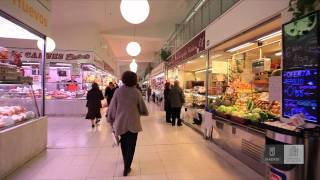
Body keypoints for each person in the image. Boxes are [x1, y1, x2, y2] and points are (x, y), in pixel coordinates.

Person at [108, 71, 148, 176]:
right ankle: (127, 167)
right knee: (132, 145)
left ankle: (125, 162)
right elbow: (143, 108)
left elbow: (112, 107)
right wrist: (140, 112)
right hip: (134, 122)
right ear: (135, 80)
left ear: (123, 79)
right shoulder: (137, 92)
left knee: (124, 144)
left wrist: (111, 119)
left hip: (121, 122)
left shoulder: (118, 91)